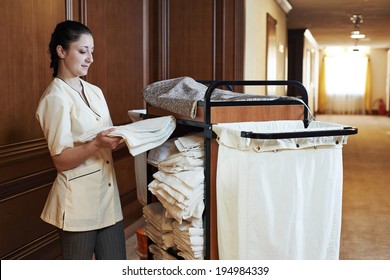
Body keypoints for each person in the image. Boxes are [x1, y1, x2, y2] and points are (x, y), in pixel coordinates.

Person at [36, 20, 126, 260]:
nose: (90, 58)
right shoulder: (55, 98)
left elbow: (106, 135)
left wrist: (126, 137)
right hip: (77, 207)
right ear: (61, 51)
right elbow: (61, 161)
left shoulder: (95, 92)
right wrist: (96, 143)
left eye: (92, 52)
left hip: (108, 198)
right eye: (83, 51)